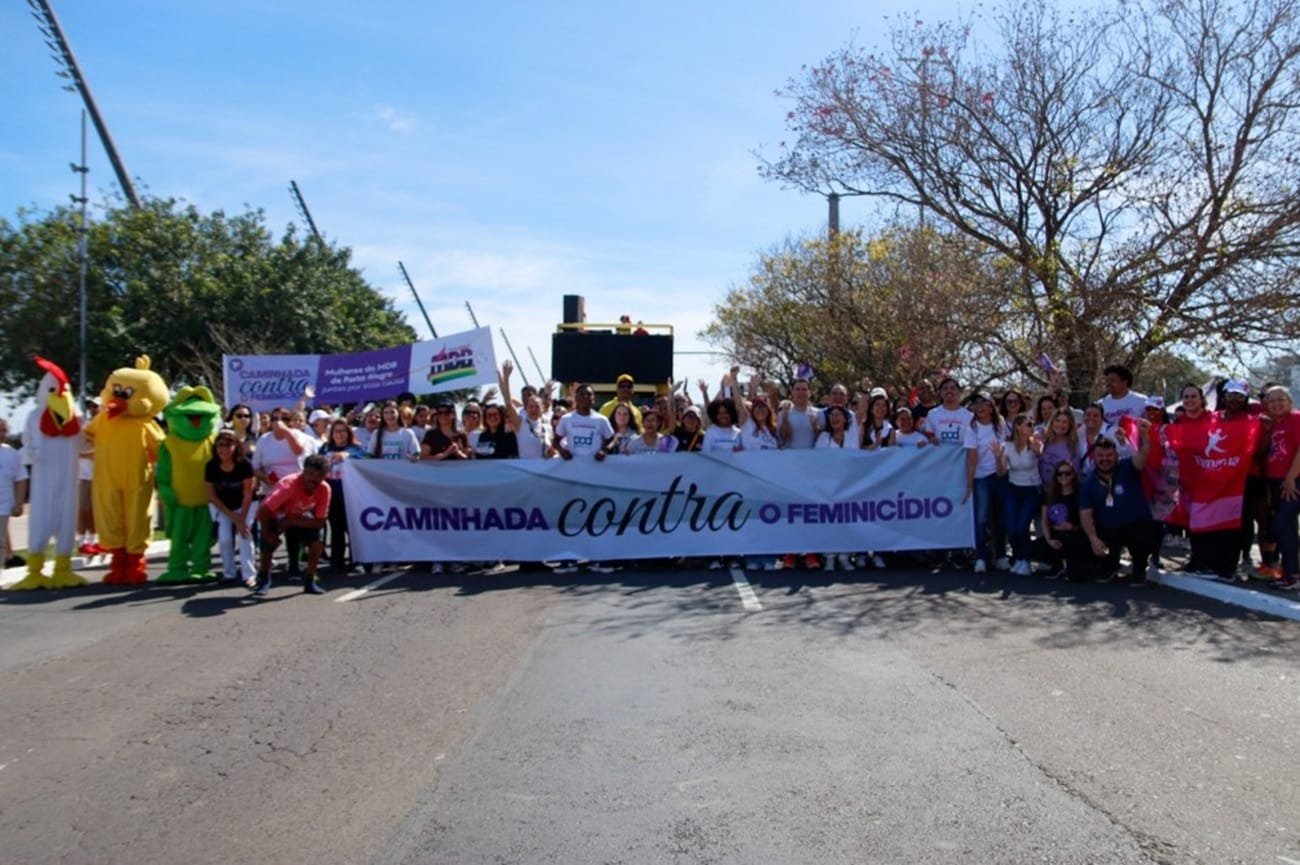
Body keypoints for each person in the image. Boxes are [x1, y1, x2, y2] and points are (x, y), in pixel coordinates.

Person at [1080, 428, 1159, 583]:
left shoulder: (1128, 466)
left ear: (1116, 455)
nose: (1105, 459)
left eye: (1109, 455)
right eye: (1100, 456)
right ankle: (1110, 565)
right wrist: (1093, 539)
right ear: (1094, 457)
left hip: (1136, 525)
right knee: (1088, 538)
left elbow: (1143, 455)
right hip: (1108, 530)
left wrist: (1145, 437)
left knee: (1145, 533)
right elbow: (1085, 514)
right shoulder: (1088, 482)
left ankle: (1139, 568)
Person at [553, 383, 616, 574]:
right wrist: (561, 450)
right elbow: (556, 440)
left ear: (593, 398)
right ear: (575, 398)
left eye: (588, 395)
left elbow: (612, 438)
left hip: (595, 476)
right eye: (581, 394)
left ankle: (598, 558)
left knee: (596, 516)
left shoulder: (601, 420)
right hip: (572, 476)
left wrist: (605, 450)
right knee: (572, 516)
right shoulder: (566, 419)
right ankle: (570, 559)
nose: (585, 398)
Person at [250, 454, 331, 598]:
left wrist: (291, 522)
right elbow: (264, 509)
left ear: (325, 476)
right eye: (310, 473)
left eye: (319, 475)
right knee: (268, 544)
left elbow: (319, 521)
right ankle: (263, 579)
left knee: (316, 542)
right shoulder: (290, 484)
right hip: (275, 515)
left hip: (298, 516)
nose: (313, 479)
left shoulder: (325, 489)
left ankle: (310, 580)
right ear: (303, 471)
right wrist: (268, 534)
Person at [205, 426, 256, 586]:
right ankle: (229, 573)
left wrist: (241, 519)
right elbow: (211, 496)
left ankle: (249, 575)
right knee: (225, 538)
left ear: (235, 447)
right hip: (224, 506)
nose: (224, 449)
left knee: (245, 535)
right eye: (220, 445)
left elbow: (248, 493)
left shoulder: (244, 465)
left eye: (228, 445)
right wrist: (233, 517)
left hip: (246, 504)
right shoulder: (211, 466)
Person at [1263, 386, 1300, 590]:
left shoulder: (1296, 419)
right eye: (1271, 400)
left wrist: (1291, 477)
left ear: (1290, 401)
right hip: (1275, 482)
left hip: (1293, 482)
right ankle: (1289, 572)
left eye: (1281, 399)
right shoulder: (1271, 424)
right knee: (1287, 528)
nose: (1276, 404)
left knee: (1282, 525)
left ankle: (1292, 574)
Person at [318, 419, 367, 572]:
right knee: (336, 528)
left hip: (350, 495)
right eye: (336, 431)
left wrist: (346, 454)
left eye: (343, 431)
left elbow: (361, 458)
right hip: (331, 494)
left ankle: (355, 560)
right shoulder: (325, 448)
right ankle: (337, 561)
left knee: (351, 528)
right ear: (332, 434)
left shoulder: (356, 448)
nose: (339, 434)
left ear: (348, 433)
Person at [997, 414, 1042, 575]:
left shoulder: (1035, 444)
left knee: (1022, 526)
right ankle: (1018, 558)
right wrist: (998, 458)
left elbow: (1042, 460)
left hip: (1032, 490)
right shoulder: (1007, 446)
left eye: (1032, 425)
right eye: (1028, 425)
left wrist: (1038, 452)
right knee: (1011, 527)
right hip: (1013, 489)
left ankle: (1026, 561)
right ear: (1018, 426)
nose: (1031, 428)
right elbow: (1001, 472)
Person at [1039, 460, 1091, 580]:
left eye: (1067, 473)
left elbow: (1087, 521)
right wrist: (1049, 540)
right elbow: (1044, 521)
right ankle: (1057, 566)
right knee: (1038, 546)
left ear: (1073, 475)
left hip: (1076, 536)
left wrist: (1072, 526)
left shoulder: (1081, 494)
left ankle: (1078, 565)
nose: (1063, 476)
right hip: (1056, 535)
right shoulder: (1049, 495)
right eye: (1060, 474)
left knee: (1076, 576)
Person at [0, 417, 27, 570]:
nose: (2, 434)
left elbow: (21, 479)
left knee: (0, 539)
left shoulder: (11, 453)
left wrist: (19, 503)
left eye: (4, 430)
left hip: (3, 504)